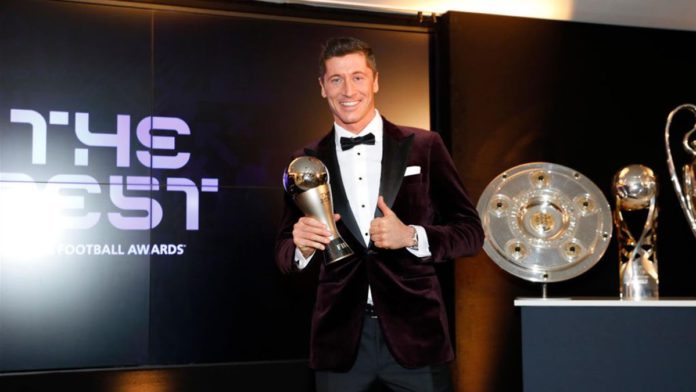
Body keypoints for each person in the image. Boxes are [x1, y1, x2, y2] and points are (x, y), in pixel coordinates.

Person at [275, 36, 484, 392]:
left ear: (375, 81)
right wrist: (301, 248)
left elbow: (470, 232)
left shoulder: (424, 146)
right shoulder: (305, 161)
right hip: (340, 340)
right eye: (336, 79)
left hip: (416, 335)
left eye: (357, 76)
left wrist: (412, 236)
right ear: (322, 87)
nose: (347, 90)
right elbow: (283, 249)